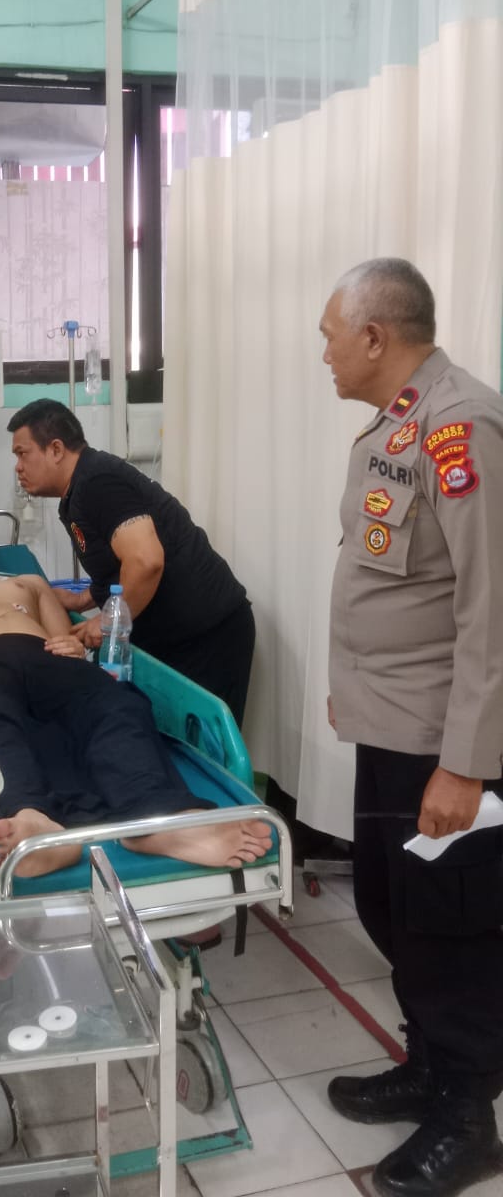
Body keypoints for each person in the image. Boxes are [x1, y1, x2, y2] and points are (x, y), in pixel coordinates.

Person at [321, 258, 503, 1197]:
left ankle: (469, 1120)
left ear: (374, 336)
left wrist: (467, 764)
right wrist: (351, 685)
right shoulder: (401, 419)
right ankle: (429, 1068)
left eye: (330, 337)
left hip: (441, 741)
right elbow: (389, 575)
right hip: (390, 724)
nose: (324, 355)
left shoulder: (461, 425)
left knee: (453, 931)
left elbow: (491, 606)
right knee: (394, 912)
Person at [0, 503, 273, 879]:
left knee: (116, 702)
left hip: (45, 656)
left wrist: (71, 644)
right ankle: (32, 820)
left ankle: (156, 818)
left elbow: (64, 638)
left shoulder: (28, 583)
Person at [6, 400, 255, 725]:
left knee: (201, 748)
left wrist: (106, 623)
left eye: (22, 454)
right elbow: (119, 566)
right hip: (176, 636)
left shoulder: (98, 482)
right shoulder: (76, 494)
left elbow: (146, 560)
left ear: (55, 449)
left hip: (207, 634)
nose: (18, 467)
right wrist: (84, 599)